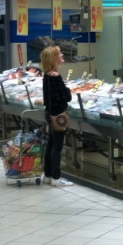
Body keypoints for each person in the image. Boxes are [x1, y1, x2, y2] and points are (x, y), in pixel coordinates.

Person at [40, 45, 73, 187]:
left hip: (49, 113)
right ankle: (56, 177)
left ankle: (47, 175)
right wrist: (67, 89)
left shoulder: (47, 75)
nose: (62, 56)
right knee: (57, 147)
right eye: (59, 54)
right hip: (58, 115)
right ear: (54, 58)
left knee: (51, 145)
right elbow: (66, 97)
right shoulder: (55, 76)